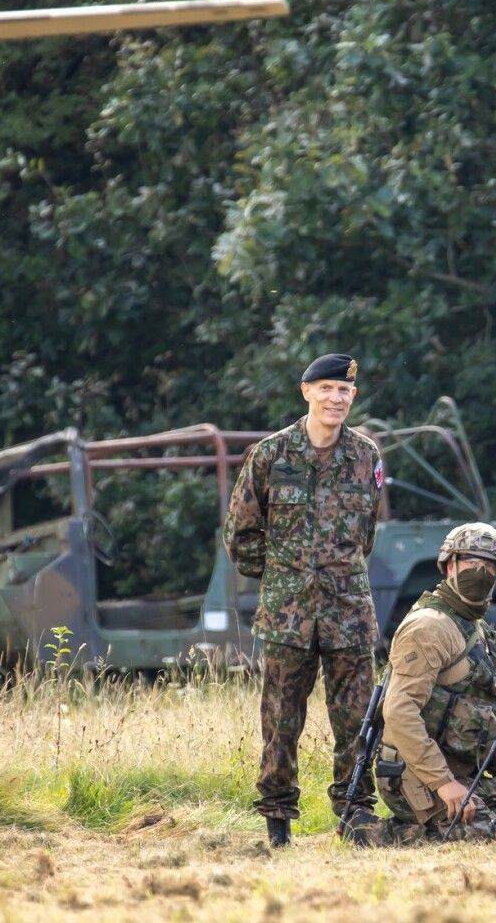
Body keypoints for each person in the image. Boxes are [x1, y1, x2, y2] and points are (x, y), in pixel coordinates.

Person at [223, 353, 382, 848]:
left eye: (346, 391)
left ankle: (354, 812)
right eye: (328, 389)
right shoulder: (271, 456)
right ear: (307, 392)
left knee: (357, 721)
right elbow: (241, 534)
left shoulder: (366, 456)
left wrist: (335, 572)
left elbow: (366, 534)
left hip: (349, 615)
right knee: (280, 723)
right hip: (288, 617)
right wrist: (282, 578)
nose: (337, 399)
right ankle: (277, 821)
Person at [355, 523, 496, 846]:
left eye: (491, 567)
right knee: (490, 836)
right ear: (449, 565)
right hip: (411, 773)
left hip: (458, 769)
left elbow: (490, 715)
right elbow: (398, 713)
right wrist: (443, 783)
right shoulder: (428, 627)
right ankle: (375, 834)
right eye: (472, 564)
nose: (481, 573)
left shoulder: (481, 630)